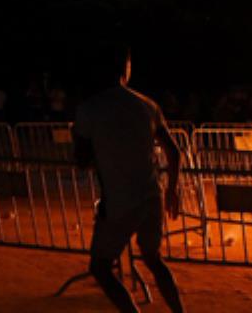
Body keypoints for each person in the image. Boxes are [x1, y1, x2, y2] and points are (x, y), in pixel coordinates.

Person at [73, 44, 184, 313]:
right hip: (151, 194)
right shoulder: (147, 105)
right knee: (153, 258)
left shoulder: (90, 109)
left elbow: (82, 160)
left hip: (119, 199)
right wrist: (172, 190)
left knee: (100, 267)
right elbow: (173, 152)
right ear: (127, 68)